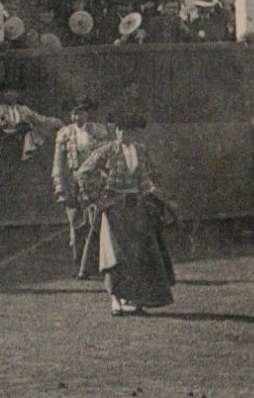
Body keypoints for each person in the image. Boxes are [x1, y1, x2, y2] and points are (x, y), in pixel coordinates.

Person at [76, 114, 176, 316]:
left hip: (138, 208)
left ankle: (136, 301)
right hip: (115, 210)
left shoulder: (141, 151)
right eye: (121, 129)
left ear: (135, 132)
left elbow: (151, 177)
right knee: (115, 256)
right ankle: (115, 301)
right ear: (116, 131)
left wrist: (157, 196)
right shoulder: (107, 151)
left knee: (139, 257)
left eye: (129, 130)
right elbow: (83, 172)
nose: (124, 134)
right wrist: (98, 199)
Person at [51, 97, 110, 275]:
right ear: (71, 114)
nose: (78, 116)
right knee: (76, 222)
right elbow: (58, 163)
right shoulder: (64, 133)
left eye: (81, 112)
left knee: (97, 221)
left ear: (88, 113)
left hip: (95, 180)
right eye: (75, 112)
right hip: (74, 181)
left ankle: (98, 265)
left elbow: (106, 157)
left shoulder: (99, 130)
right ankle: (80, 265)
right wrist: (60, 188)